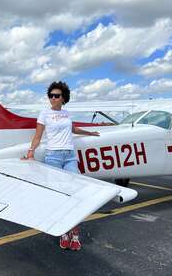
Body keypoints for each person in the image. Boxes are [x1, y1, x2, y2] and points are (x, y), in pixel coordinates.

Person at [23, 81, 100, 251]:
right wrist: (31, 151)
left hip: (70, 156)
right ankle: (64, 232)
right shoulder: (44, 114)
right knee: (60, 196)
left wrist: (91, 132)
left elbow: (73, 129)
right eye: (50, 95)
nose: (53, 98)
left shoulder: (66, 113)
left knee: (76, 194)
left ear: (63, 98)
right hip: (54, 157)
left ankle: (75, 234)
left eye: (56, 96)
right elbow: (37, 135)